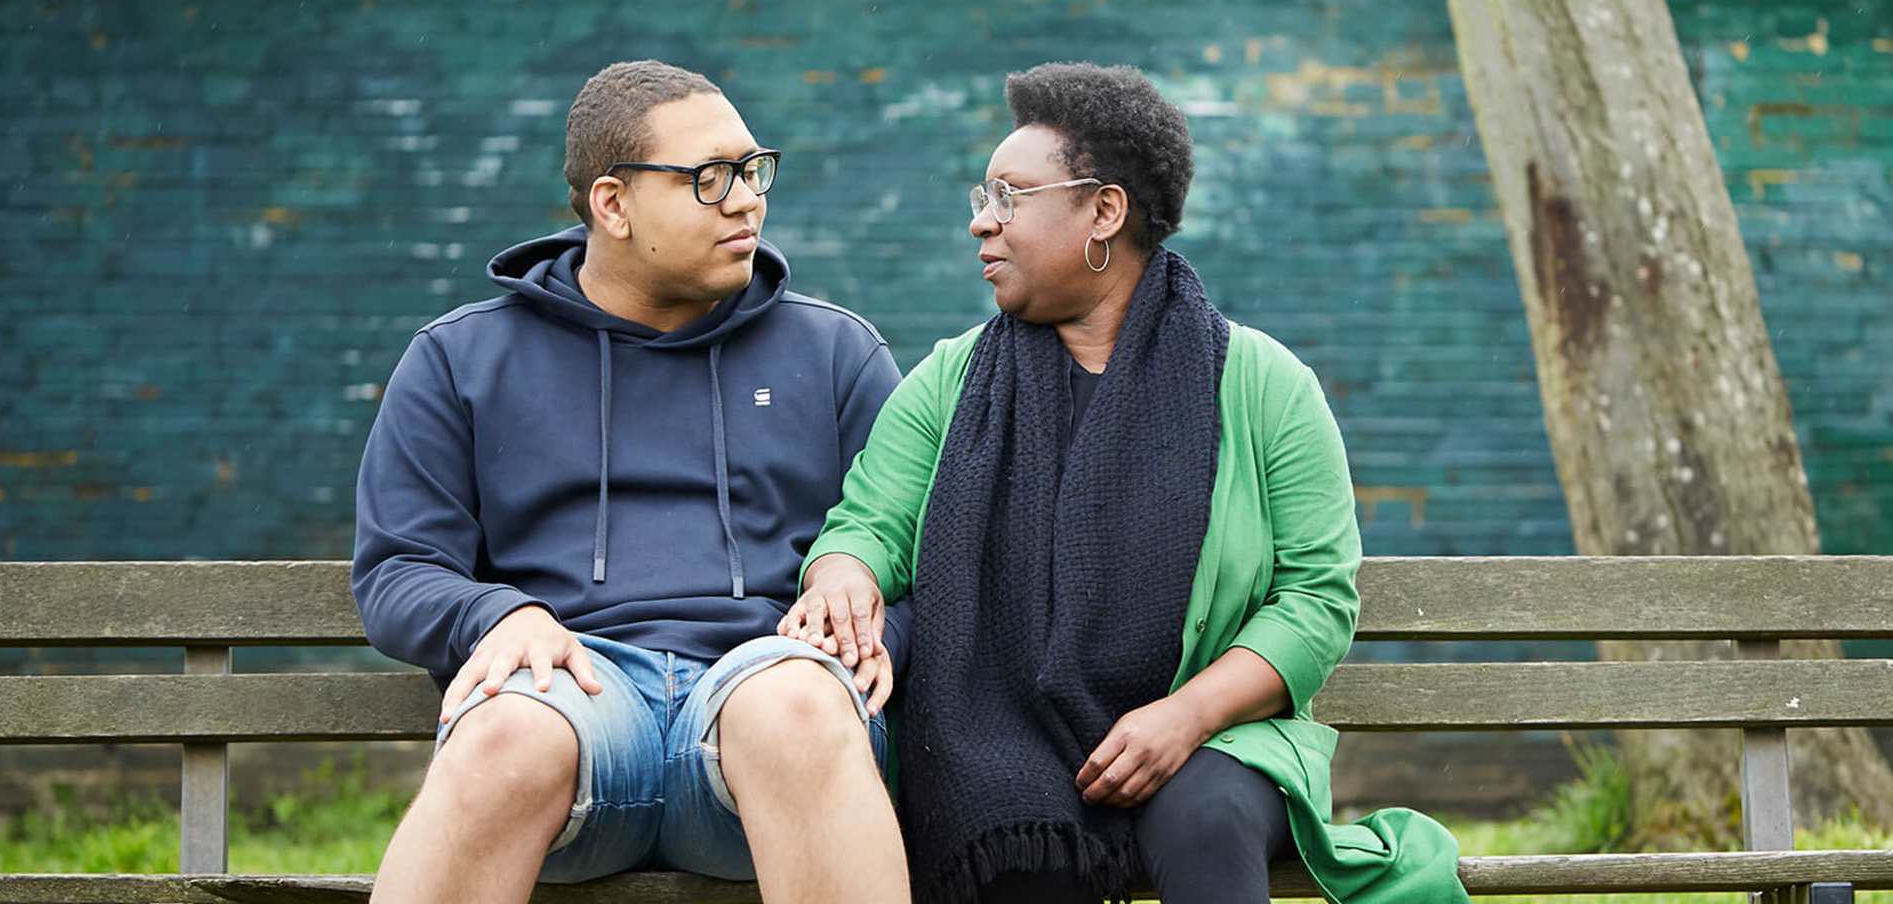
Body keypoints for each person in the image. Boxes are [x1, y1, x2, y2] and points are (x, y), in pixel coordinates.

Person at [783, 62, 1465, 904]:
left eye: (1010, 196)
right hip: (1003, 735)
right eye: (981, 198)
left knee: (1202, 815)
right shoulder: (951, 382)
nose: (981, 224)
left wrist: (1187, 717)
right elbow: (868, 524)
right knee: (1008, 833)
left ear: (1103, 211)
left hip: (1220, 734)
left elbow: (1316, 599)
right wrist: (845, 569)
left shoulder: (1259, 383)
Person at [353, 60, 910, 904]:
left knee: (798, 703)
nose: (747, 200)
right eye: (709, 178)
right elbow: (396, 568)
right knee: (506, 729)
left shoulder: (835, 355)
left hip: (758, 701)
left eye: (754, 170)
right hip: (574, 702)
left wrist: (866, 633)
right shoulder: (461, 359)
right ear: (612, 204)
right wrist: (494, 613)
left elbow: (929, 550)